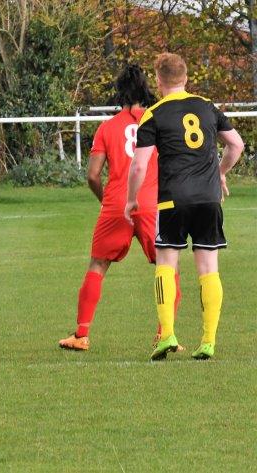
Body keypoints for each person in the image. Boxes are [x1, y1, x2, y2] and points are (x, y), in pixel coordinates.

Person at [126, 53, 244, 361]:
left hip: (173, 199)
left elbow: (139, 166)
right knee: (208, 268)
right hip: (208, 198)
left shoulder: (153, 114)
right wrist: (220, 172)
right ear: (186, 77)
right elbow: (237, 145)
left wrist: (131, 199)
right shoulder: (207, 107)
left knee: (166, 263)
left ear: (159, 80)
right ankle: (208, 341)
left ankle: (167, 335)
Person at [58, 64, 174, 351]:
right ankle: (165, 334)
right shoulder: (158, 121)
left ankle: (81, 335)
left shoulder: (107, 127)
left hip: (116, 206)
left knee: (98, 265)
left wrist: (108, 200)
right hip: (151, 205)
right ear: (147, 90)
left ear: (120, 95)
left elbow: (92, 175)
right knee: (167, 267)